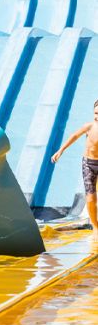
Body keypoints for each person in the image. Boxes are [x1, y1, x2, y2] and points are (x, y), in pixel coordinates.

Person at [51, 100, 98, 242]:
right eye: (96, 113)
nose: (97, 116)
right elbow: (74, 136)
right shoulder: (89, 126)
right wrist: (60, 151)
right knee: (90, 197)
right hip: (89, 164)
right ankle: (96, 227)